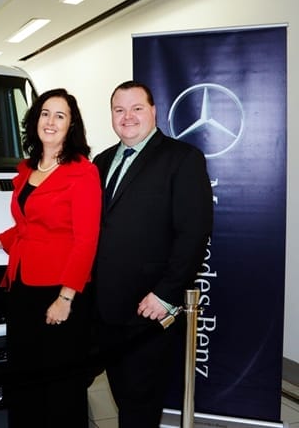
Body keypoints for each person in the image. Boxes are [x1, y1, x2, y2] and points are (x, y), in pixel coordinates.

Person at [0, 88, 101, 428]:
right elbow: (26, 226)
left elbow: (86, 240)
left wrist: (66, 297)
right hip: (22, 287)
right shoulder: (28, 168)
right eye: (45, 113)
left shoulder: (82, 172)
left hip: (59, 292)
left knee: (60, 388)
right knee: (25, 381)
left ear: (71, 125)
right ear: (35, 120)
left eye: (60, 115)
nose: (51, 121)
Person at [91, 80, 213, 427]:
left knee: (142, 402)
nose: (127, 117)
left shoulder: (182, 159)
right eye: (119, 110)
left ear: (154, 111)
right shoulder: (100, 162)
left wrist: (166, 293)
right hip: (106, 310)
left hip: (149, 308)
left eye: (137, 108)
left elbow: (194, 233)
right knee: (123, 396)